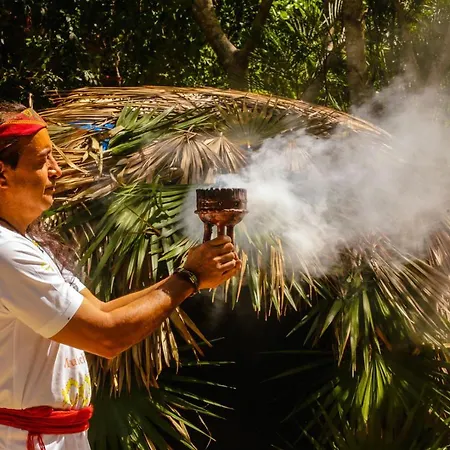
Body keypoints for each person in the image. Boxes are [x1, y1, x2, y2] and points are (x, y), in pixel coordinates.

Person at [0, 102, 241, 450]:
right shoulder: (6, 250)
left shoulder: (26, 243)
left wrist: (191, 275)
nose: (57, 170)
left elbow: (104, 310)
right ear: (2, 175)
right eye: (42, 161)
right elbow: (106, 336)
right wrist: (189, 279)